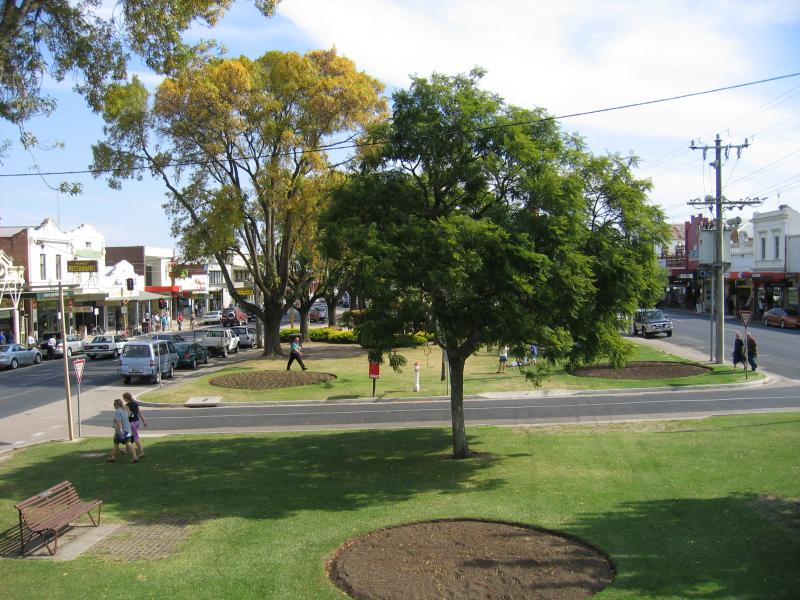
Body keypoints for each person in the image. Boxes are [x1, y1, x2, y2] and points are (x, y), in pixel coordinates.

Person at [108, 398, 138, 463]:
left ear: (118, 405)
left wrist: (120, 430)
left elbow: (119, 422)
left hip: (120, 431)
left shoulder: (118, 411)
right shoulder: (124, 410)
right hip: (128, 430)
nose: (114, 405)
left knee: (116, 444)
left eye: (115, 404)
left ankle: (113, 457)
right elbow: (132, 415)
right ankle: (134, 457)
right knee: (129, 443)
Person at [123, 392, 148, 458]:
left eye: (124, 398)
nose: (124, 399)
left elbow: (128, 415)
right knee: (129, 436)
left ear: (126, 398)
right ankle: (126, 450)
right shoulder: (135, 404)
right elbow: (140, 413)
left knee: (135, 437)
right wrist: (144, 421)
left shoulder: (126, 405)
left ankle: (142, 452)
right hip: (137, 422)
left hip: (131, 423)